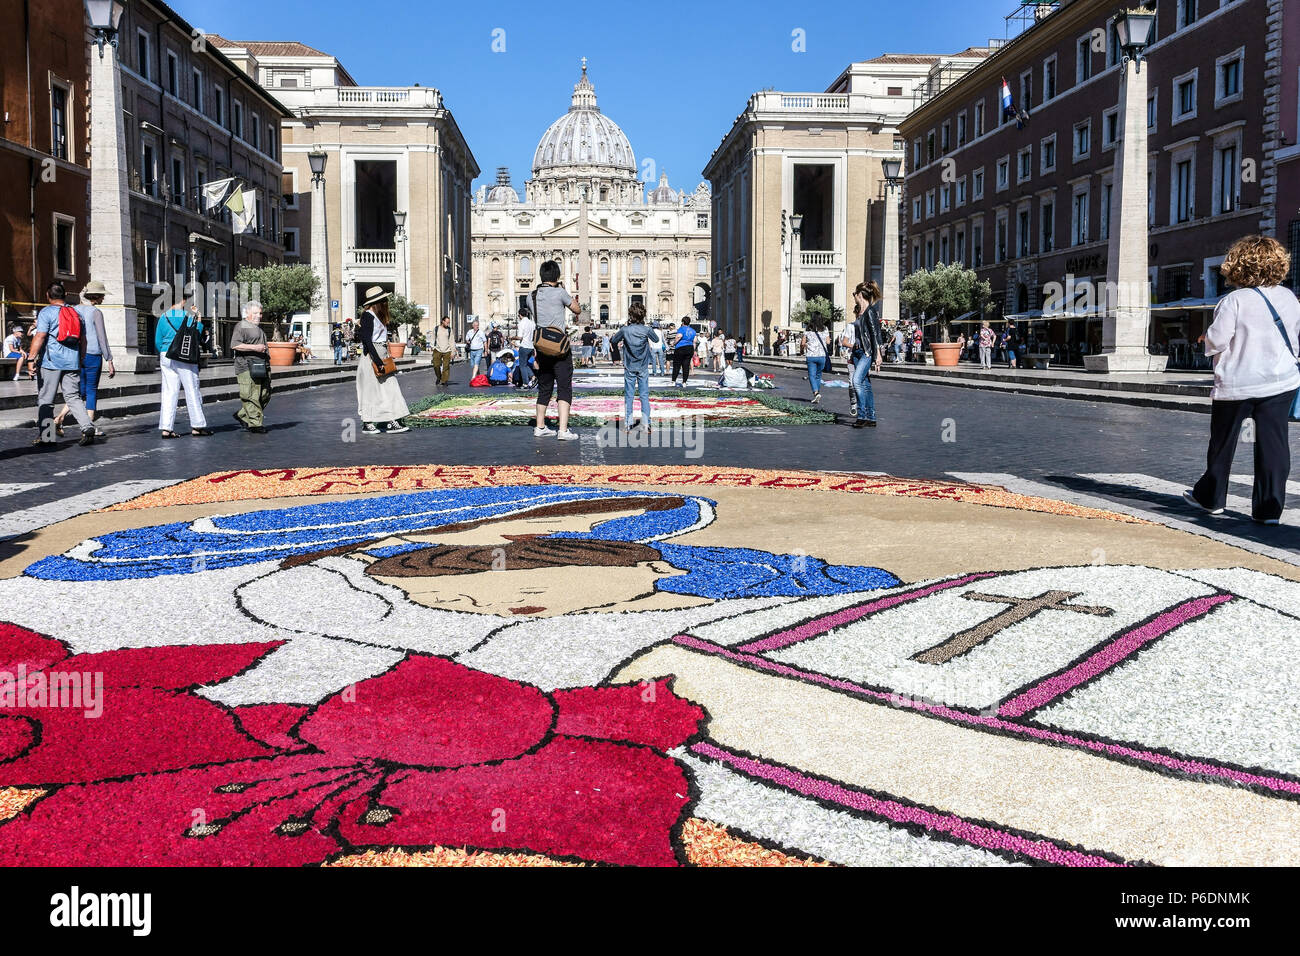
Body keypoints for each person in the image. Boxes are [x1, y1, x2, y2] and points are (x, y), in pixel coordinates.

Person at [1186, 235, 1300, 525]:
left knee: (1223, 442)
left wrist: (1205, 339)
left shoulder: (1233, 301)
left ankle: (1212, 499)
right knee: (1274, 444)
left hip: (1239, 383)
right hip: (1280, 381)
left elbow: (1218, 340)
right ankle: (1268, 510)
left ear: (1238, 265)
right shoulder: (1289, 297)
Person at [27, 282, 96, 447]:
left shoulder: (46, 312)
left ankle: (47, 436)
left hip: (51, 362)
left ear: (47, 296)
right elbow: (84, 340)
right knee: (73, 396)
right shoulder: (76, 313)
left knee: (46, 399)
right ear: (65, 295)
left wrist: (30, 359)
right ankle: (87, 427)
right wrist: (81, 357)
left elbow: (40, 336)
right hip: (72, 362)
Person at [54, 280, 115, 437]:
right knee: (91, 390)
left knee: (78, 391)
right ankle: (89, 426)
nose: (103, 298)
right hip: (93, 354)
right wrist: (109, 359)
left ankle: (59, 418)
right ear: (97, 296)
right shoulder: (96, 312)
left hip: (77, 353)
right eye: (102, 295)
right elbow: (102, 337)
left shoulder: (75, 309)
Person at [529, 259, 581, 440]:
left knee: (544, 387)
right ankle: (563, 430)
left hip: (541, 347)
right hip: (560, 348)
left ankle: (540, 426)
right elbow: (577, 310)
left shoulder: (532, 296)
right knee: (564, 387)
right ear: (557, 276)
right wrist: (565, 291)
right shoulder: (560, 293)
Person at [154, 291, 211, 440]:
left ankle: (166, 428)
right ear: (183, 301)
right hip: (184, 355)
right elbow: (197, 336)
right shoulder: (188, 317)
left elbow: (158, 341)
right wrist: (198, 317)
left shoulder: (163, 317)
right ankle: (197, 426)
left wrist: (166, 351)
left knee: (168, 392)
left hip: (166, 355)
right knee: (192, 390)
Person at [355, 285, 410, 436]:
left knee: (389, 388)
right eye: (384, 300)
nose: (387, 302)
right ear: (378, 302)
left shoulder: (377, 317)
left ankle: (391, 419)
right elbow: (366, 340)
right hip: (372, 358)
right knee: (372, 391)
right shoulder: (367, 316)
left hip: (381, 355)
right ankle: (368, 422)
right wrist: (377, 360)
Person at [610, 302, 659, 429]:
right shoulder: (647, 329)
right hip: (643, 366)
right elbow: (656, 339)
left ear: (630, 315)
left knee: (629, 395)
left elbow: (614, 341)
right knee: (644, 395)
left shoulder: (625, 330)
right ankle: (646, 423)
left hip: (629, 365)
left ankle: (628, 422)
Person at [229, 300, 271, 434]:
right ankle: (255, 424)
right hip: (246, 366)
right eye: (255, 313)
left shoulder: (258, 328)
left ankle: (242, 415)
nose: (259, 316)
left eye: (260, 313)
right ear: (247, 313)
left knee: (265, 394)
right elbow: (234, 345)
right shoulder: (241, 326)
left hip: (262, 366)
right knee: (251, 395)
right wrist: (255, 347)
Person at [849, 281, 884, 428]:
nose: (854, 297)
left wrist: (878, 355)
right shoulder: (860, 312)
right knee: (866, 385)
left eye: (854, 294)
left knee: (856, 381)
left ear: (859, 295)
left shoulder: (870, 311)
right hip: (857, 352)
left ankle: (861, 415)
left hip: (867, 352)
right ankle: (871, 417)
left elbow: (875, 334)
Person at [802, 318, 831, 404]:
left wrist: (807, 345)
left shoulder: (808, 329)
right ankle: (817, 393)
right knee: (818, 375)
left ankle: (816, 393)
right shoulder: (825, 328)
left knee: (811, 375)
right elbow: (828, 342)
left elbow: (803, 343)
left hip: (811, 356)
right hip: (822, 356)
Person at [670, 317, 697, 384]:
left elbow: (679, 336)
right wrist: (693, 350)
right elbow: (695, 341)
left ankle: (673, 380)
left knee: (677, 365)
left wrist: (673, 343)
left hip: (681, 348)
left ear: (683, 322)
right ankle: (684, 382)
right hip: (690, 348)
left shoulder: (681, 329)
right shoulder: (693, 330)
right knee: (686, 365)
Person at [514, 307, 536, 388]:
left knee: (522, 366)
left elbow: (520, 337)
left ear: (520, 315)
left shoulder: (521, 323)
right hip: (531, 346)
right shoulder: (532, 323)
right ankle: (533, 377)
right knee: (525, 364)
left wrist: (512, 338)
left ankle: (525, 383)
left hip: (524, 346)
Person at [430, 315, 455, 386]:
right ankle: (439, 377)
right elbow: (432, 337)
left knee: (446, 366)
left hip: (447, 350)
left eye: (448, 323)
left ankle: (444, 381)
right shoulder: (437, 328)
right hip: (437, 349)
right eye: (447, 322)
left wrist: (453, 351)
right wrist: (432, 346)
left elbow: (452, 341)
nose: (448, 324)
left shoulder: (449, 330)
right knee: (436, 365)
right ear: (443, 321)